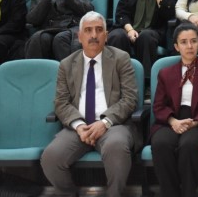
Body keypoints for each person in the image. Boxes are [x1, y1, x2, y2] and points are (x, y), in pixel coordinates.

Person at [40, 12, 137, 197]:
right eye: (88, 30)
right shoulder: (67, 64)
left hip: (113, 125)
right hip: (79, 127)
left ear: (106, 36)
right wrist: (79, 126)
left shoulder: (120, 58)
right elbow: (61, 102)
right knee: (51, 157)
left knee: (116, 147)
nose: (94, 35)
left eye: (99, 30)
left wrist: (105, 122)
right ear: (79, 36)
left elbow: (130, 98)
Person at [150, 24, 198, 197]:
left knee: (189, 145)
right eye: (184, 42)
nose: (189, 46)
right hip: (171, 121)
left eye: (193, 41)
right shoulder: (165, 73)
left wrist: (195, 122)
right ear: (176, 46)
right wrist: (173, 122)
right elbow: (159, 106)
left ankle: (189, 193)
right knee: (161, 143)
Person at [108, 0, 179, 78]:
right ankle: (117, 80)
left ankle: (146, 82)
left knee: (146, 36)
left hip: (153, 30)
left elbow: (169, 14)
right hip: (129, 27)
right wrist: (130, 30)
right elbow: (121, 12)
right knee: (117, 36)